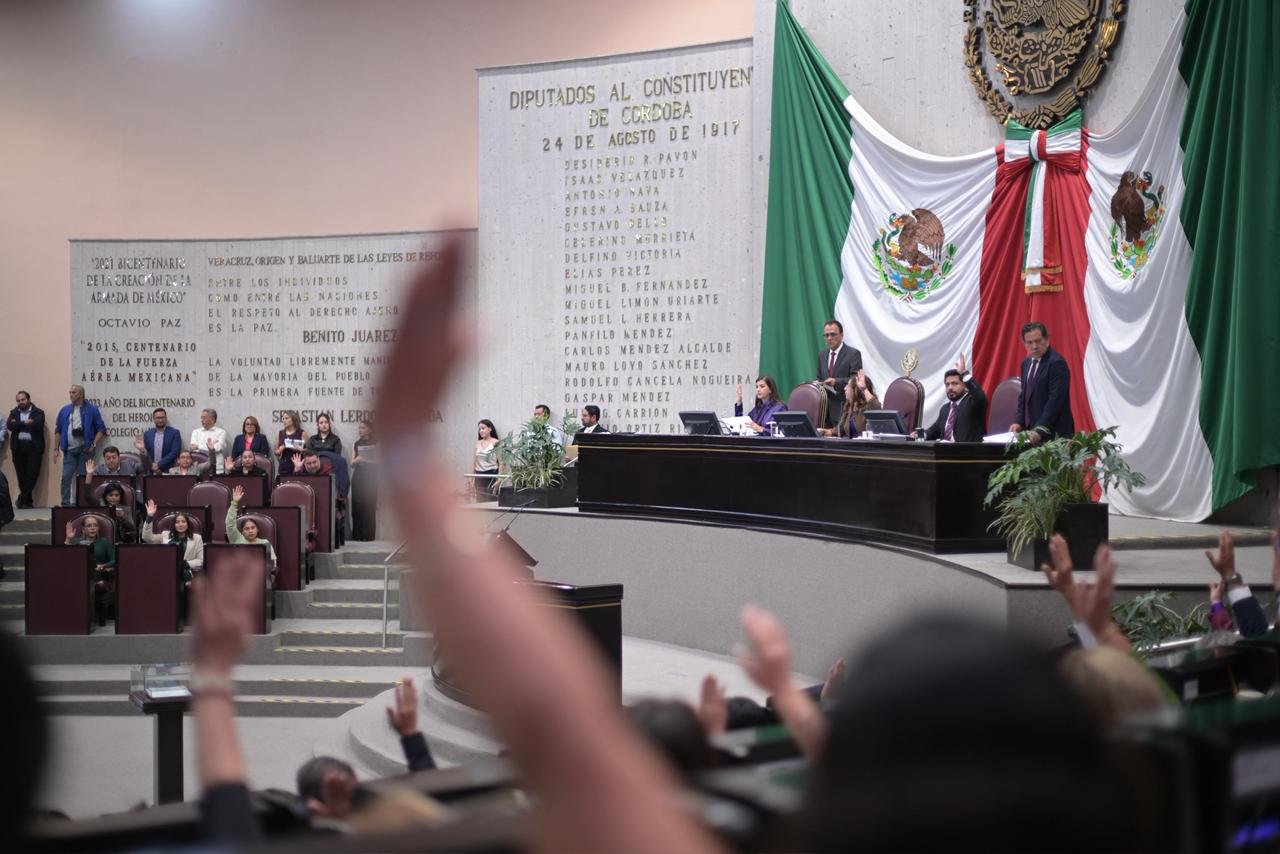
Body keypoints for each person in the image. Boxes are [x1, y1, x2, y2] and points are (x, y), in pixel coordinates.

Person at [1009, 321, 1074, 443]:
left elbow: (1055, 402)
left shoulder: (1056, 363)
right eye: (1030, 342)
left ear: (1047, 340)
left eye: (1038, 341)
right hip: (1031, 433)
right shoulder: (1026, 363)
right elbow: (1024, 396)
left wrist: (1039, 430)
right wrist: (1018, 421)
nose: (1034, 346)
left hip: (1054, 435)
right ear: (1024, 344)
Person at [53, 384, 107, 506]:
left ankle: (82, 504)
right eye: (70, 392)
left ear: (81, 394)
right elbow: (58, 431)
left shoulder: (92, 409)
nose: (71, 395)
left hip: (85, 450)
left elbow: (101, 429)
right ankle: (65, 504)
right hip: (69, 450)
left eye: (74, 392)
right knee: (66, 477)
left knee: (83, 478)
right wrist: (56, 449)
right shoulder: (65, 410)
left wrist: (93, 444)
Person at [141, 499, 204, 592]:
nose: (180, 524)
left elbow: (200, 561)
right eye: (177, 522)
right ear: (174, 525)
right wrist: (149, 517)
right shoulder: (165, 535)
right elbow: (146, 537)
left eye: (183, 521)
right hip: (166, 572)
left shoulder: (197, 538)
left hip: (185, 574)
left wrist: (185, 564)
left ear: (188, 524)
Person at [924, 353, 989, 442]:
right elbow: (935, 430)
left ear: (964, 386)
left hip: (968, 450)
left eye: (955, 383)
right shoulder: (945, 409)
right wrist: (922, 434)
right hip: (944, 450)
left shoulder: (972, 402)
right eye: (947, 384)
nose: (950, 387)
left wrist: (964, 374)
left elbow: (980, 397)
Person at [65, 515, 116, 626]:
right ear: (83, 529)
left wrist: (104, 566)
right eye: (89, 526)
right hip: (79, 577)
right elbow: (65, 558)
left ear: (98, 528)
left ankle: (86, 620)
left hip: (98, 577)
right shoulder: (77, 542)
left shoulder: (104, 542)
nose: (92, 528)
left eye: (95, 525)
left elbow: (115, 560)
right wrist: (68, 539)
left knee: (90, 586)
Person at [226, 485, 277, 587]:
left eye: (253, 528)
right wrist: (234, 503)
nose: (250, 531)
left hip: (260, 575)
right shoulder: (237, 539)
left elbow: (272, 564)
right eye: (247, 529)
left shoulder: (265, 543)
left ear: (257, 530)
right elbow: (230, 524)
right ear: (242, 532)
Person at [817, 319, 862, 428]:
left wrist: (836, 382)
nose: (829, 338)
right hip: (823, 411)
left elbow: (856, 379)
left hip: (843, 409)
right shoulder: (822, 355)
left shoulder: (853, 354)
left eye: (833, 334)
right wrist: (817, 383)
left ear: (842, 335)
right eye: (826, 335)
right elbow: (819, 377)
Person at [6, 390, 45, 509]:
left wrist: (18, 424)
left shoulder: (38, 412)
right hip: (18, 447)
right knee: (21, 475)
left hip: (34, 448)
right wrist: (25, 422)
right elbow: (10, 426)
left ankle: (21, 499)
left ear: (28, 399)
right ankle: (27, 502)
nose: (20, 402)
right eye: (18, 400)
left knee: (33, 473)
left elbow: (38, 425)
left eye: (23, 400)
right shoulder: (13, 412)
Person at [82, 462, 137, 543]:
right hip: (102, 540)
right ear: (106, 496)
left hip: (121, 542)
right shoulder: (100, 505)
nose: (114, 498)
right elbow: (88, 496)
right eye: (111, 495)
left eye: (116, 495)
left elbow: (132, 530)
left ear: (120, 496)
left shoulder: (126, 509)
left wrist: (123, 518)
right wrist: (89, 475)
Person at [819, 369, 881, 438]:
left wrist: (864, 389)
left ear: (855, 389)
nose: (845, 388)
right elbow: (838, 431)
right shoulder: (849, 407)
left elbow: (877, 408)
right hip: (850, 444)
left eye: (848, 386)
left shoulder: (868, 407)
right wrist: (822, 431)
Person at [351, 419, 378, 540]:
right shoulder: (356, 444)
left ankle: (369, 535)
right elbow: (352, 463)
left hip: (371, 478)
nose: (360, 430)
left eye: (363, 428)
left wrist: (367, 460)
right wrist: (356, 460)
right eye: (359, 428)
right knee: (357, 505)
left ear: (370, 430)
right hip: (358, 476)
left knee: (369, 505)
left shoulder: (377, 443)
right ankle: (357, 535)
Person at [141, 407, 183, 475]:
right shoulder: (147, 434)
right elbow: (147, 453)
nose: (160, 420)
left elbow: (175, 452)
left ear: (166, 418)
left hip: (169, 471)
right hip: (151, 471)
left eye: (162, 417)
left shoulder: (174, 433)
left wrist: (159, 464)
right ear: (154, 419)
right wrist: (152, 465)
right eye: (158, 418)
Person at [189, 408, 229, 474]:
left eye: (204, 418)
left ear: (212, 419)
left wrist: (198, 446)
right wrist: (210, 448)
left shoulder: (221, 432)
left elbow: (217, 448)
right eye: (201, 418)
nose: (201, 420)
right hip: (199, 468)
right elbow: (193, 448)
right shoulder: (196, 432)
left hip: (217, 468)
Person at [473, 419, 499, 498]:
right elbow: (473, 462)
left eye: (483, 428)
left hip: (492, 474)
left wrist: (499, 480)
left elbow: (501, 463)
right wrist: (472, 478)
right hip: (479, 474)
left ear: (490, 429)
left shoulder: (496, 442)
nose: (481, 431)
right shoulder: (477, 443)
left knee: (491, 499)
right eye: (479, 429)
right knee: (480, 499)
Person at [276, 410, 307, 476]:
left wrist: (299, 450)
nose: (284, 420)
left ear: (293, 419)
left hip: (298, 464)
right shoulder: (280, 433)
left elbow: (309, 451)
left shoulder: (302, 433)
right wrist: (280, 450)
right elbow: (276, 451)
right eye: (283, 418)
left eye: (286, 418)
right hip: (284, 465)